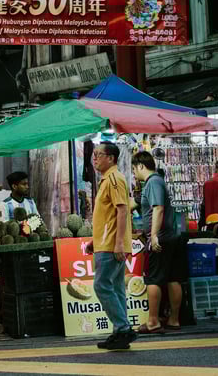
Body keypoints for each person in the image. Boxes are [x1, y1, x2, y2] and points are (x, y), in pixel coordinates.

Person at [86, 142, 136, 351]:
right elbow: (108, 216)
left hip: (111, 245)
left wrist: (117, 244)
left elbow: (122, 211)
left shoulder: (114, 179)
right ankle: (120, 332)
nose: (95, 158)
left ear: (112, 158)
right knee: (116, 287)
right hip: (106, 243)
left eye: (99, 154)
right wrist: (94, 241)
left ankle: (123, 328)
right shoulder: (108, 179)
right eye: (94, 155)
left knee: (102, 285)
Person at [131, 151, 184, 334]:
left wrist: (153, 235)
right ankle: (174, 320)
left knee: (153, 279)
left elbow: (158, 209)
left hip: (160, 238)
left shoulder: (152, 182)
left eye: (134, 169)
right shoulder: (158, 181)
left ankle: (153, 321)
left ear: (140, 166)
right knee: (172, 277)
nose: (134, 173)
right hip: (172, 237)